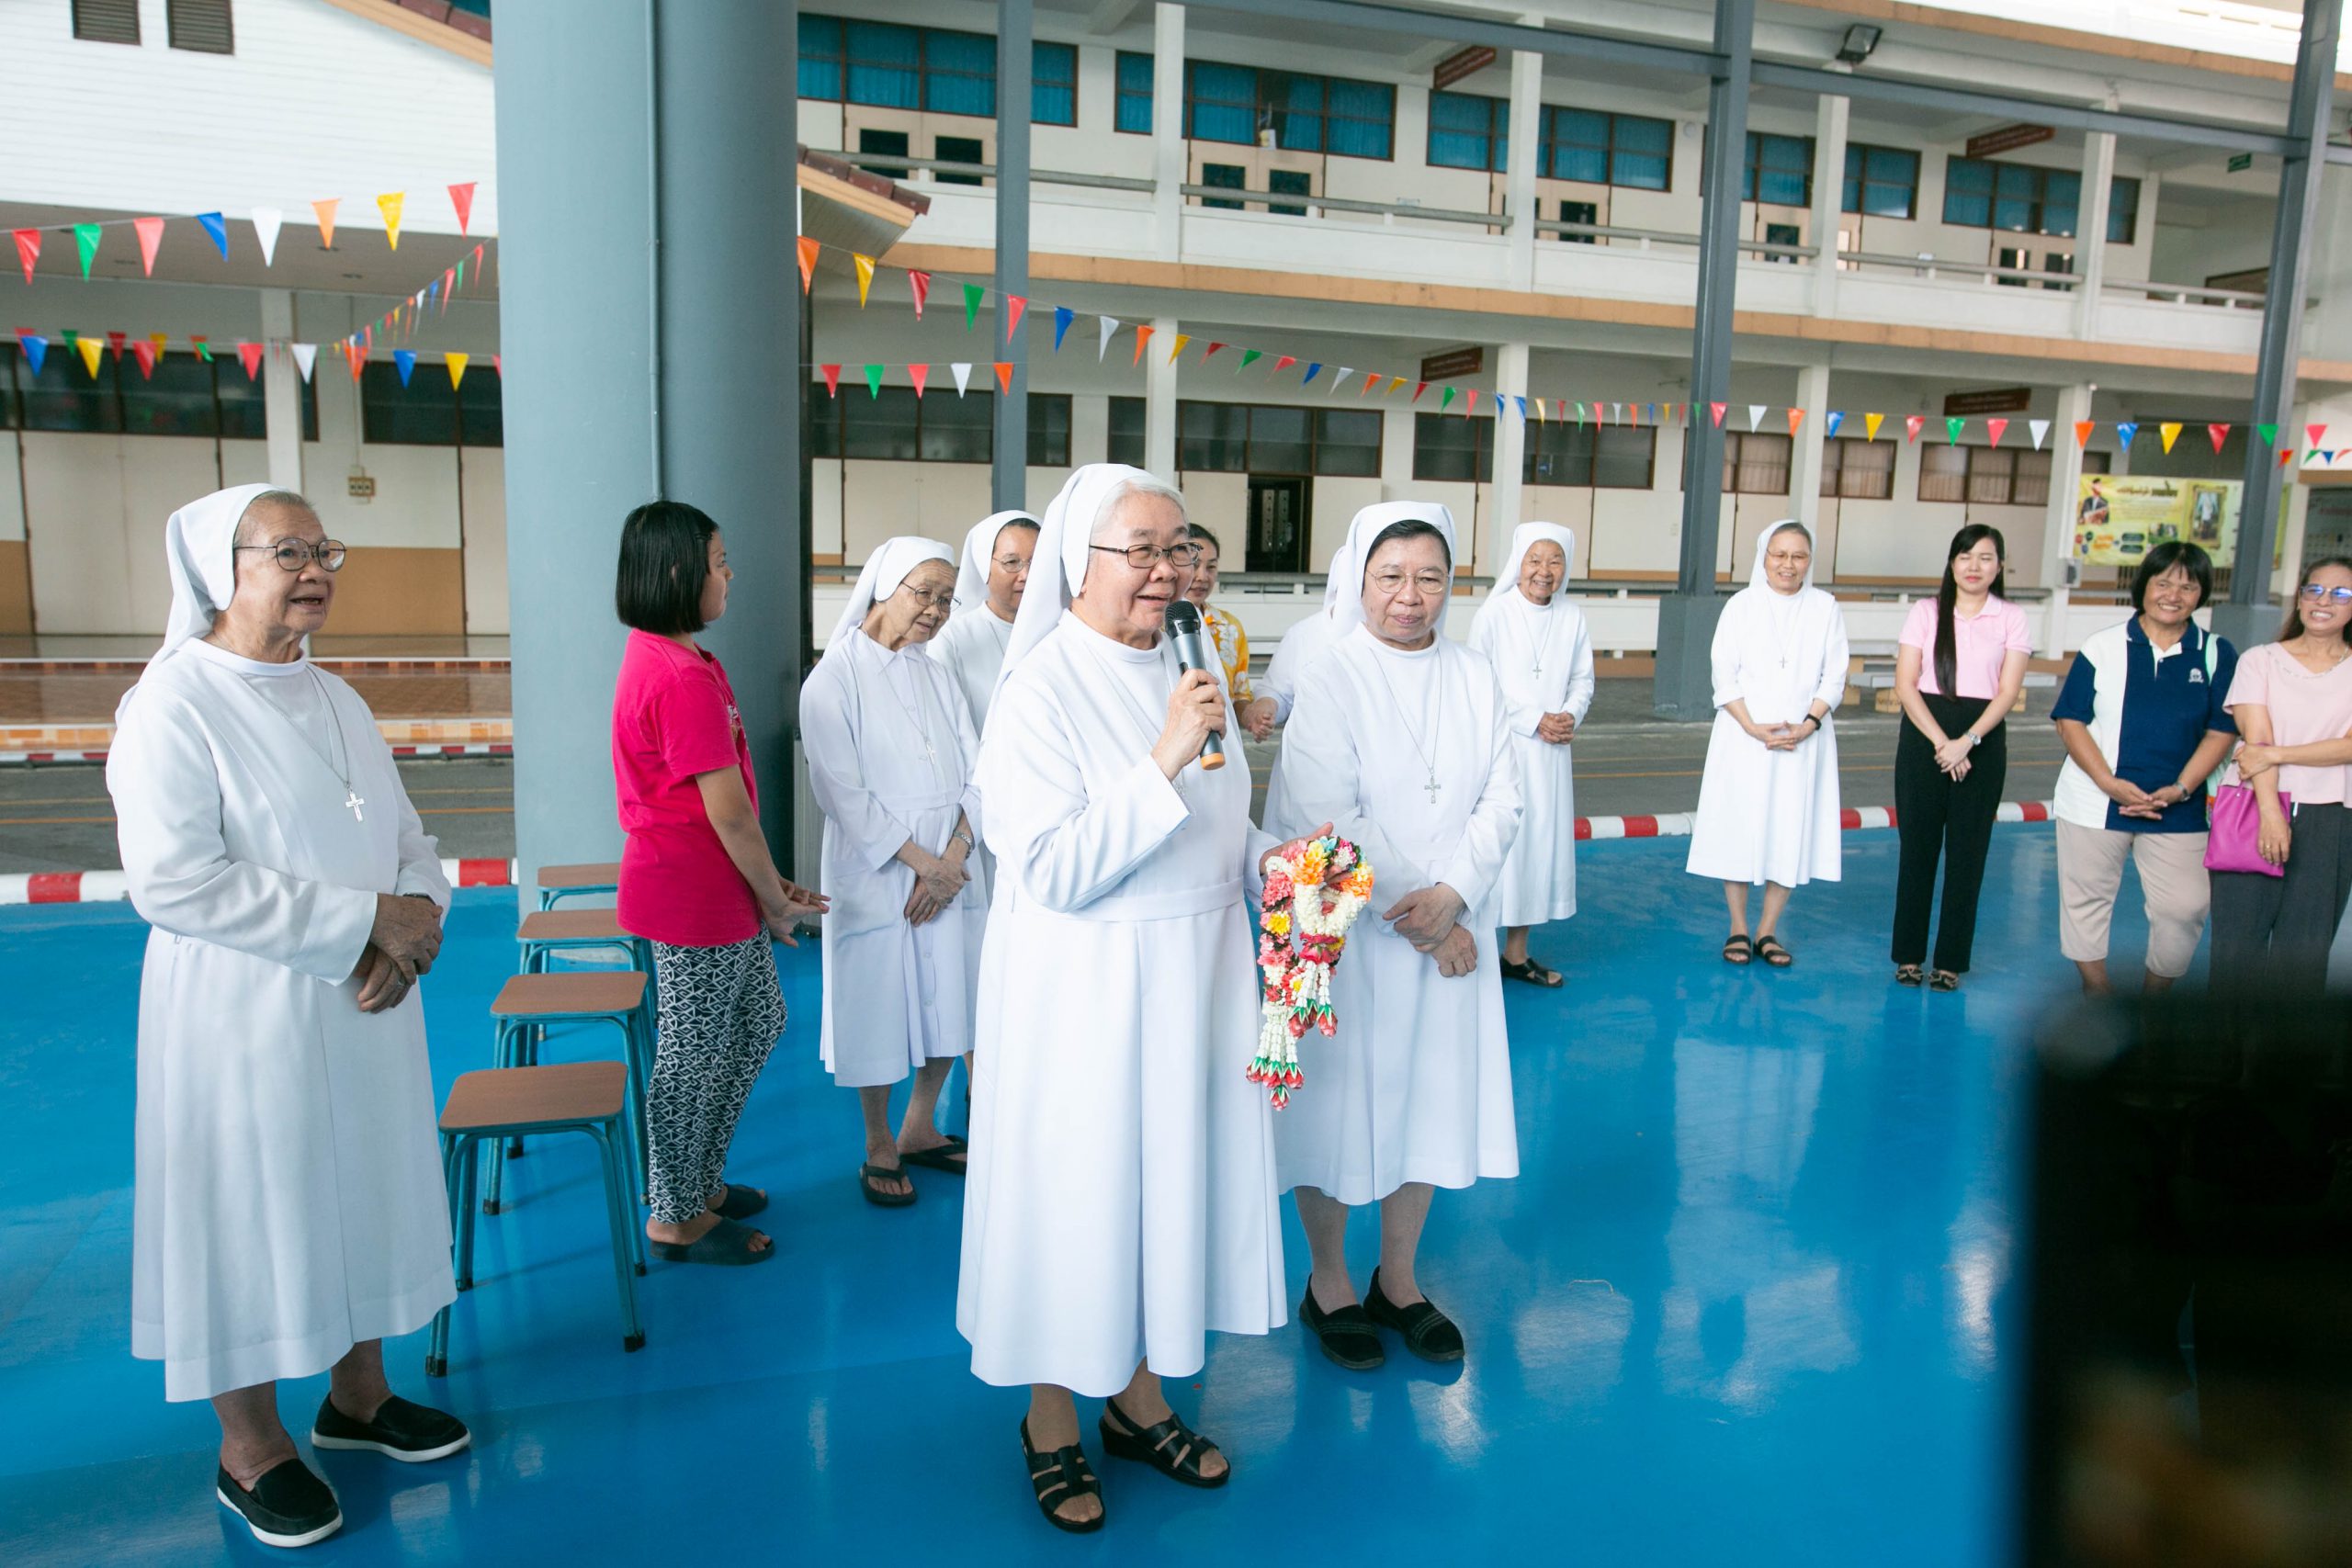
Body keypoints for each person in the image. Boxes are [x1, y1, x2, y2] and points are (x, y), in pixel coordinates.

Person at [107, 484, 468, 1550]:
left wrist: (418, 925)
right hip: (241, 1016)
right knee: (248, 1210)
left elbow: (408, 838)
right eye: (289, 552)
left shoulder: (341, 699)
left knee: (360, 1190)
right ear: (224, 567)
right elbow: (173, 880)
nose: (315, 570)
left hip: (366, 999)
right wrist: (364, 925)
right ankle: (251, 1446)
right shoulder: (173, 702)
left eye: (325, 551)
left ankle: (358, 1398)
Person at [957, 463, 1317, 1533]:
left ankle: (1141, 1393)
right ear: (1081, 563)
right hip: (1086, 1001)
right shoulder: (1040, 691)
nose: (1168, 573)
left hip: (1198, 982)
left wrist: (1276, 864)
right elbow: (1058, 870)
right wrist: (1163, 757)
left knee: (1172, 1191)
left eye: (1178, 549)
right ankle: (1052, 1417)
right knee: (1083, 1199)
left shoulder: (1187, 657)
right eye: (1143, 552)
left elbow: (1213, 828)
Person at [1272, 502, 1522, 1371]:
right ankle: (1331, 1280)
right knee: (1336, 1108)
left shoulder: (1477, 674)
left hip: (1447, 924)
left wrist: (1456, 895)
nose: (1409, 597)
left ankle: (1400, 1279)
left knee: (1429, 1099)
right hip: (1354, 939)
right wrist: (1428, 914)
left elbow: (1504, 797)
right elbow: (1323, 815)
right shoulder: (1333, 675)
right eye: (1391, 576)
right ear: (1360, 577)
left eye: (1429, 577)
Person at [611, 502, 828, 1266]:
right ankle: (672, 1212)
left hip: (718, 887)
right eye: (720, 559)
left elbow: (734, 813)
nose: (729, 573)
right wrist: (775, 901)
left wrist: (774, 884)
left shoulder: (686, 661)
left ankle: (700, 1176)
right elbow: (728, 812)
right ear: (679, 572)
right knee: (691, 1055)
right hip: (693, 894)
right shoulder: (676, 676)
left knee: (757, 1022)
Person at [800, 537, 986, 1204]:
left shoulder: (936, 672)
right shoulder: (834, 677)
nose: (935, 610)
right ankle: (879, 1139)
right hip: (881, 868)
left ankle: (919, 1125)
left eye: (946, 597)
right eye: (923, 593)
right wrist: (922, 865)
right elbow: (840, 791)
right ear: (882, 585)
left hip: (952, 865)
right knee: (876, 1003)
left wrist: (956, 855)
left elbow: (980, 768)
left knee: (953, 997)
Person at [2049, 542, 2237, 995]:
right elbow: (2070, 720)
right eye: (2163, 583)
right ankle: (2098, 992)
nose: (2174, 594)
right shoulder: (2103, 646)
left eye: (2188, 586)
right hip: (2095, 802)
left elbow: (2221, 730)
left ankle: (2154, 1003)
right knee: (2085, 901)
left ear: (2201, 594)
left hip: (2180, 808)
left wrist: (2181, 787)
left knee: (2186, 907)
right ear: (2144, 587)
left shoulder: (2216, 653)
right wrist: (2108, 783)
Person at [1685, 522, 1849, 968]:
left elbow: (1834, 675)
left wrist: (1809, 724)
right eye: (1779, 554)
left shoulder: (1825, 607)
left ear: (1809, 561)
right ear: (1764, 557)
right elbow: (1724, 673)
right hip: (1744, 738)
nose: (1788, 565)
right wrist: (1753, 726)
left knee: (1788, 829)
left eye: (1798, 556)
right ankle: (1738, 926)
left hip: (1802, 740)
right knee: (1740, 828)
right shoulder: (1741, 606)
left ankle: (1767, 930)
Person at [1889, 525, 2034, 990]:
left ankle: (1949, 962)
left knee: (1968, 857)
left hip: (1982, 740)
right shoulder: (1926, 612)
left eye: (1986, 558)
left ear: (2000, 566)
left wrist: (1967, 741)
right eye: (1965, 556)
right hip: (1924, 737)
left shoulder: (2012, 617)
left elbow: (2008, 691)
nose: (1975, 567)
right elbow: (1906, 685)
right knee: (1918, 853)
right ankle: (1908, 956)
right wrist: (1941, 743)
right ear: (1951, 563)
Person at [2210, 556, 2352, 991]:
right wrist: (2272, 815)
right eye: (2314, 590)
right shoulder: (2260, 660)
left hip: (2332, 819)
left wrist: (2277, 755)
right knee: (2236, 954)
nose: (2324, 601)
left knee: (2303, 958)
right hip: (2253, 811)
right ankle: (2224, 1058)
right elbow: (2257, 741)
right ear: (2300, 598)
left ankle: (2283, 1060)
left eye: (2340, 593)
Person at [1467, 522, 1594, 987]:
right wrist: (1534, 718)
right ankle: (1475, 949)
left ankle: (1516, 955)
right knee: (1497, 845)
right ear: (1518, 564)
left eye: (1555, 561)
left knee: (1538, 846)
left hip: (1552, 754)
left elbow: (1583, 679)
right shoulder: (1495, 615)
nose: (1545, 571)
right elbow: (1479, 680)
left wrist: (1569, 716)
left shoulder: (1572, 617)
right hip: (1503, 746)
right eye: (1535, 560)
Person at [929, 509, 1038, 734]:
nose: (1026, 574)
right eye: (1011, 562)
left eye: (1036, 562)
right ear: (983, 566)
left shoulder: (1059, 634)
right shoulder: (953, 640)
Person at [1183, 523, 1255, 716]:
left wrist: (1251, 716)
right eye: (1194, 565)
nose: (1202, 577)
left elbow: (1240, 695)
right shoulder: (1158, 627)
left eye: (1211, 567)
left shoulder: (1230, 627)